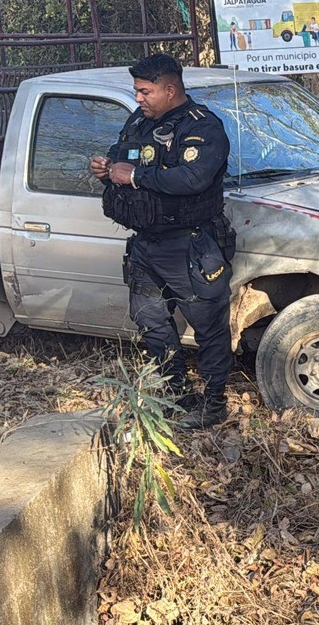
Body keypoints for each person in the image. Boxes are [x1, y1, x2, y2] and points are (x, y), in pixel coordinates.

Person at [88, 53, 233, 427]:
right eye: (136, 91)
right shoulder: (139, 121)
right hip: (146, 243)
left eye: (144, 91)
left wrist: (135, 175)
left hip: (189, 245)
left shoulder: (203, 127)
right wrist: (107, 169)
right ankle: (173, 391)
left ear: (170, 90)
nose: (138, 98)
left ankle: (214, 402)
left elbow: (192, 179)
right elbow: (122, 159)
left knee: (207, 324)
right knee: (150, 318)